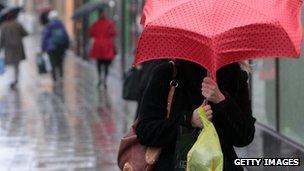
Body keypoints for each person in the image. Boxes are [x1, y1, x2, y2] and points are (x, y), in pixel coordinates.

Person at [135, 60, 256, 170]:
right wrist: (189, 120)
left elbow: (244, 136)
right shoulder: (168, 73)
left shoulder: (236, 76)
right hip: (175, 165)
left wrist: (221, 101)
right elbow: (145, 131)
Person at [89, 9, 116, 89]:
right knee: (106, 64)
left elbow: (92, 33)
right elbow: (113, 33)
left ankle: (100, 78)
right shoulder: (109, 23)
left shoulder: (95, 24)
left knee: (99, 63)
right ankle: (105, 80)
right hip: (107, 46)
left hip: (98, 46)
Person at [0, 12, 28, 89]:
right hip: (18, 48)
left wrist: (1, 47)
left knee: (9, 65)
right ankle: (15, 79)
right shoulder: (17, 25)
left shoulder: (3, 26)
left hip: (8, 49)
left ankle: (11, 80)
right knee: (16, 65)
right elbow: (25, 33)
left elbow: (2, 39)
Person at [42, 10, 69, 85]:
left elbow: (45, 37)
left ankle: (54, 78)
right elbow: (66, 36)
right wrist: (66, 46)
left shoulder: (49, 26)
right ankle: (60, 76)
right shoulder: (61, 24)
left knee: (53, 63)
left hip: (51, 47)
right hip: (61, 46)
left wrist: (43, 47)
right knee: (60, 62)